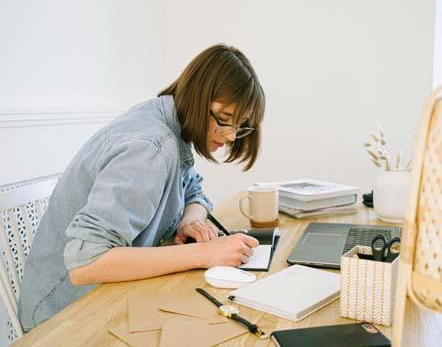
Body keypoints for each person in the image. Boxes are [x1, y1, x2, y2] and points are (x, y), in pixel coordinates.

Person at [18, 44, 265, 331]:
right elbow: (85, 263)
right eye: (224, 119)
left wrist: (191, 222)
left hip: (110, 296)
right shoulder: (151, 148)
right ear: (199, 97)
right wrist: (205, 253)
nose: (232, 135)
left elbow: (194, 191)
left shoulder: (170, 124)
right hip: (64, 317)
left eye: (240, 125)